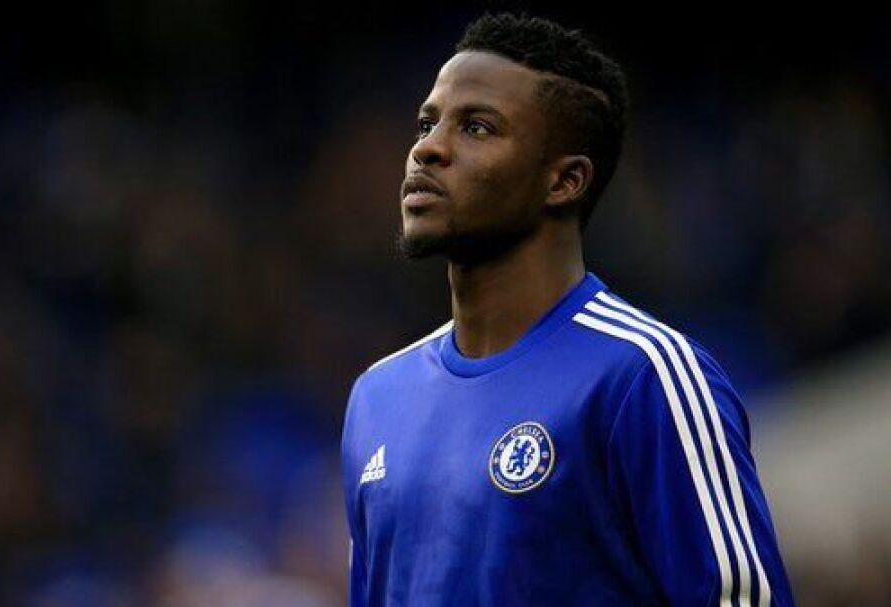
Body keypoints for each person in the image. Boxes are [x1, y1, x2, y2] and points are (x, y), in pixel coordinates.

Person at [339, 12, 795, 606]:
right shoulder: (376, 397)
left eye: (476, 127)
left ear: (565, 181)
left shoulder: (644, 376)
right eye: (428, 123)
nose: (428, 148)